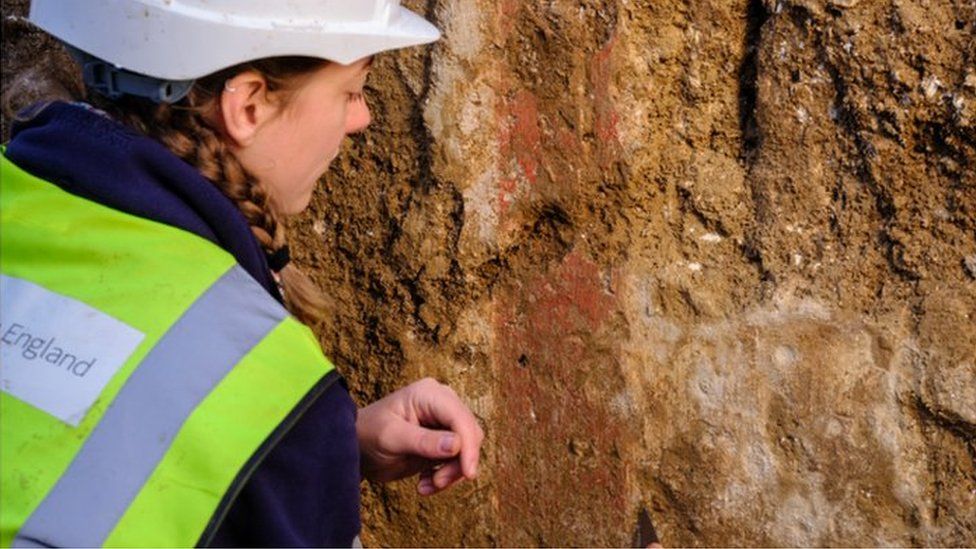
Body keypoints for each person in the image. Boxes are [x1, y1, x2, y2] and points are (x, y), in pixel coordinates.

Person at [0, 1, 484, 547]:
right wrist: (296, 455)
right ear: (249, 105)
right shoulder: (281, 401)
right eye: (350, 91)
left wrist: (319, 452)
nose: (361, 119)